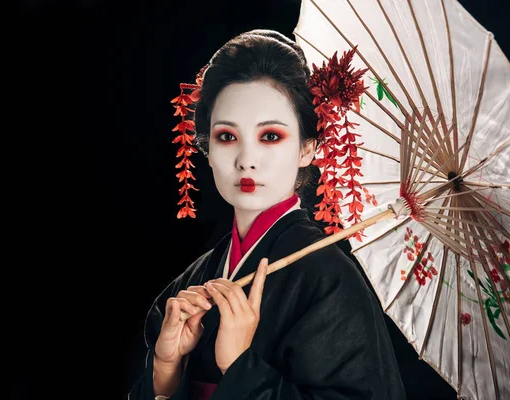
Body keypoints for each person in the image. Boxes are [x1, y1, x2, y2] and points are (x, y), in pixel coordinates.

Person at [129, 29, 406, 400]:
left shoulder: (328, 280)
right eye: (227, 137)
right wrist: (165, 369)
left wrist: (241, 366)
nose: (246, 160)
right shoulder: (190, 286)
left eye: (270, 136)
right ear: (207, 148)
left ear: (307, 149)